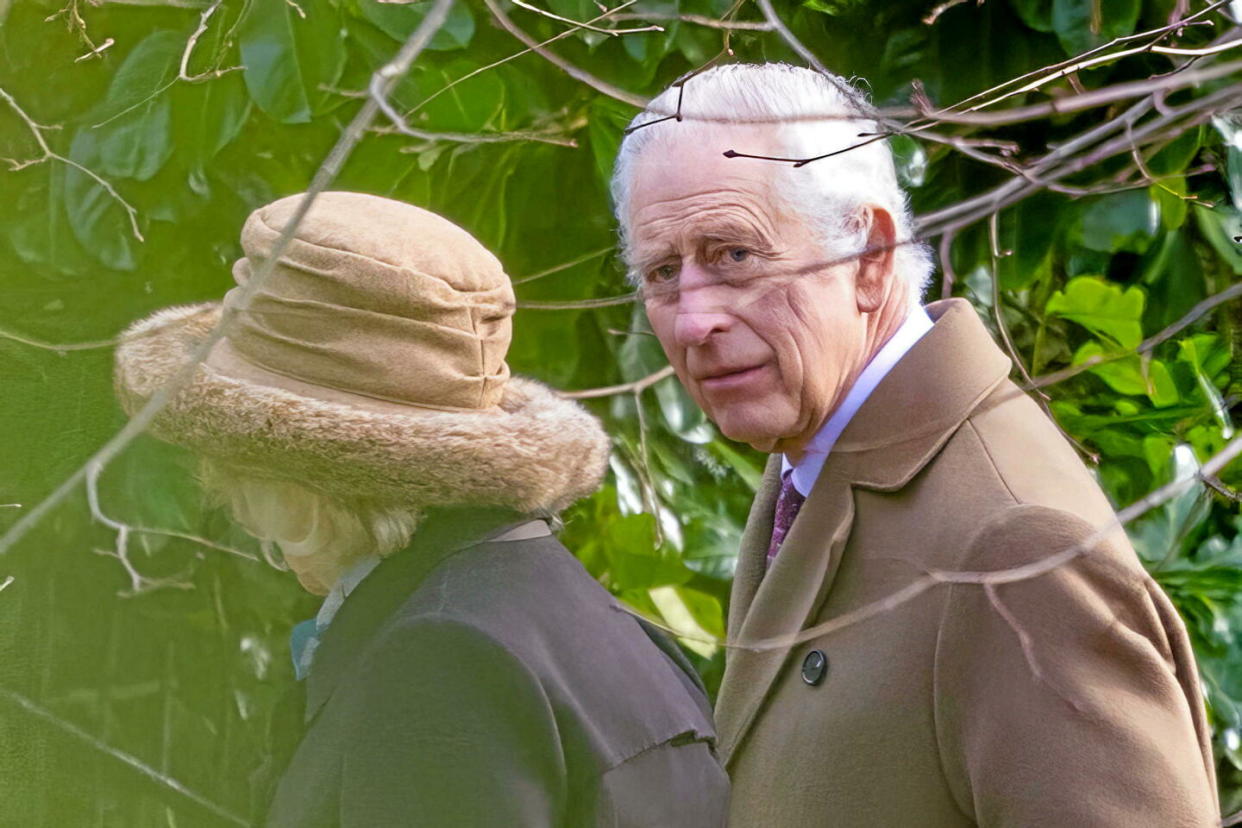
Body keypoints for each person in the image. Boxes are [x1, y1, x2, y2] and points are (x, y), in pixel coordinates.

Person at [610, 62, 1219, 826]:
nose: (694, 320)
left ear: (867, 258)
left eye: (735, 255)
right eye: (663, 271)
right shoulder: (814, 461)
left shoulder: (1015, 547)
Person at [113, 191, 729, 827]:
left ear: (293, 484)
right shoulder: (595, 624)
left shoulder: (440, 663)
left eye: (231, 465)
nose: (232, 506)